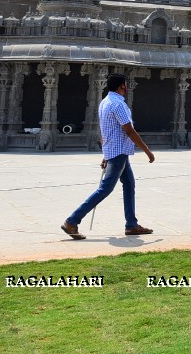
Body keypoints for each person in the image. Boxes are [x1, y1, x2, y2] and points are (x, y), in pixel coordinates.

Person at [62, 72, 155, 239]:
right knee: (105, 188)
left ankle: (131, 224)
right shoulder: (119, 105)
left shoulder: (105, 102)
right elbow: (130, 131)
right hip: (119, 153)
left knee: (129, 185)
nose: (127, 87)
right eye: (126, 84)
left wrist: (106, 154)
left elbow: (105, 131)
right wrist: (147, 151)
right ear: (122, 86)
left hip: (116, 151)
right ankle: (72, 220)